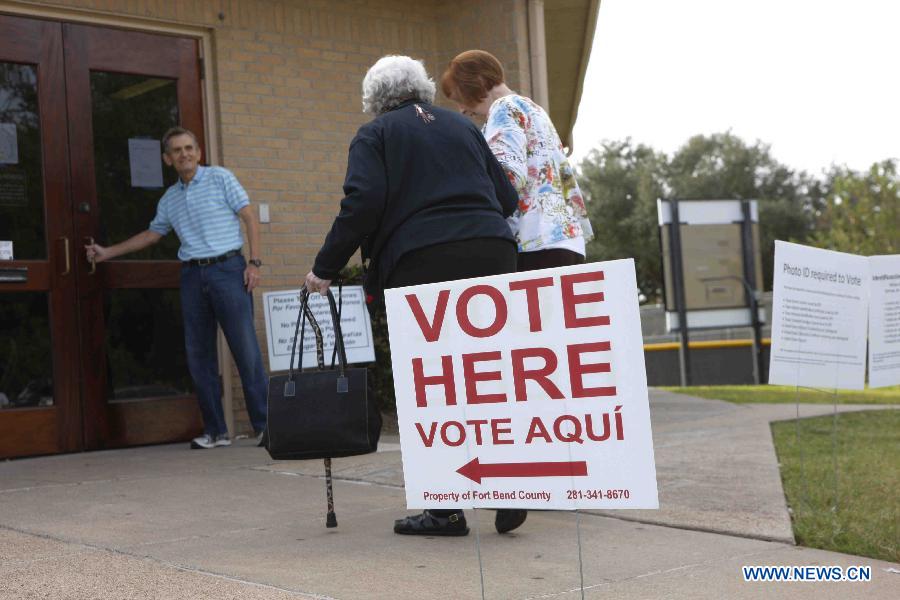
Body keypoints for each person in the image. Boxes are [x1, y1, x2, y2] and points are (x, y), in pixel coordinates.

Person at [303, 55, 525, 536]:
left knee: (432, 384)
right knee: (488, 375)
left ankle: (445, 510)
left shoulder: (375, 135)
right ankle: (510, 489)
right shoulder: (462, 127)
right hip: (491, 250)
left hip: (422, 259)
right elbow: (506, 199)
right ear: (422, 87)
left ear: (374, 99)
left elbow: (361, 203)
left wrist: (324, 267)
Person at [85, 127, 268, 450]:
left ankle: (266, 426)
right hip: (193, 277)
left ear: (198, 152)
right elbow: (152, 235)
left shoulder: (221, 178)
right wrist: (107, 252)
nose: (184, 154)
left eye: (189, 148)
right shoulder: (169, 199)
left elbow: (249, 217)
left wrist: (254, 263)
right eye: (177, 150)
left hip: (228, 270)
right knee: (199, 355)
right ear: (167, 159)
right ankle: (215, 431)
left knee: (245, 350)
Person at [440, 49, 591, 272]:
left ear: (478, 82)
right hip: (567, 237)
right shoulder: (533, 109)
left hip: (535, 242)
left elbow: (508, 176)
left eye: (460, 98)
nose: (462, 109)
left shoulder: (502, 109)